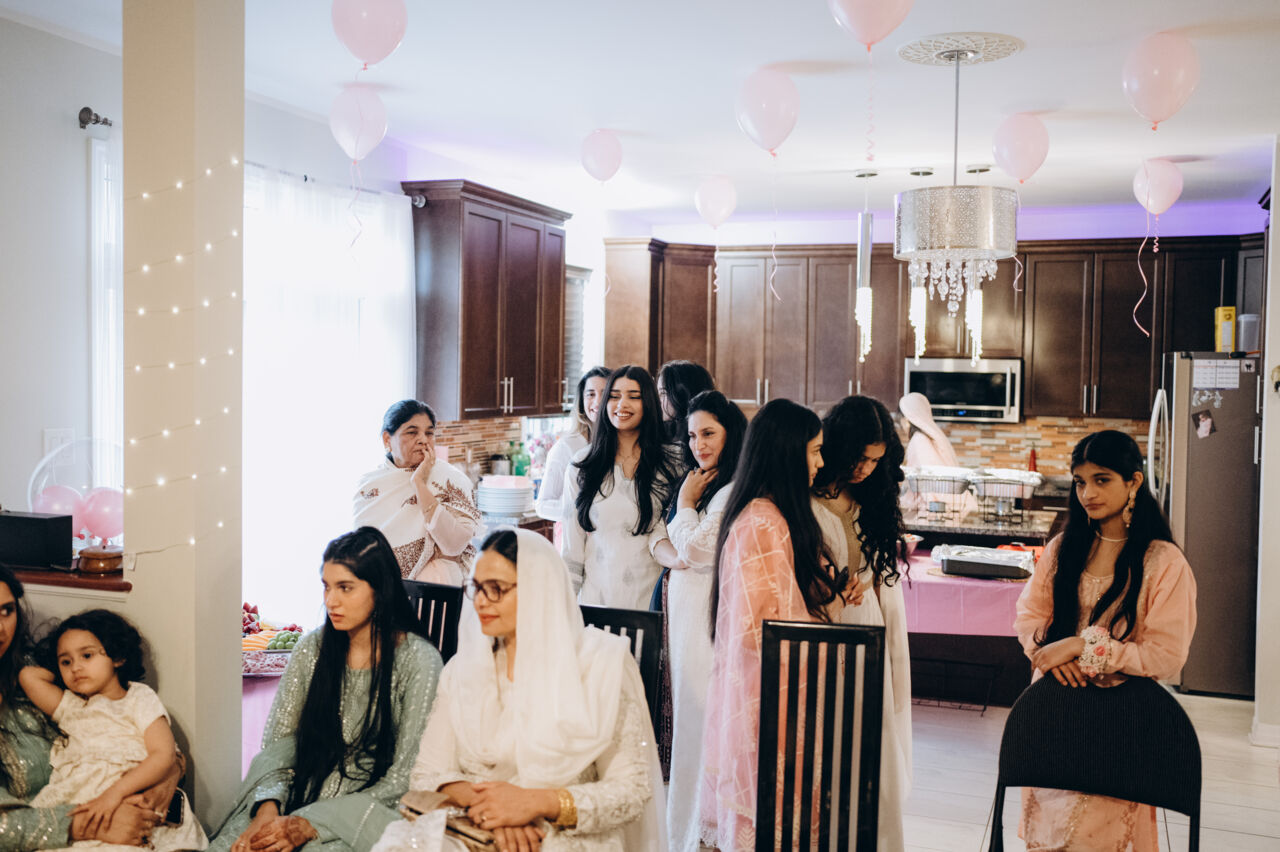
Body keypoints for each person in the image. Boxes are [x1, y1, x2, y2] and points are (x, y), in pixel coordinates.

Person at [407, 528, 665, 850]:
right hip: (476, 826)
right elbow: (426, 773)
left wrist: (537, 803)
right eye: (476, 588)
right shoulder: (463, 670)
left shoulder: (599, 666)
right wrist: (495, 809)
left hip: (565, 833)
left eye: (496, 589)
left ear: (539, 589)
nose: (481, 601)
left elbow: (632, 789)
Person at [1014, 430, 1197, 851]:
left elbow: (1167, 656)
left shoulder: (1163, 562)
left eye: (1102, 480)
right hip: (1054, 707)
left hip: (1120, 717)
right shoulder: (1063, 548)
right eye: (1080, 481)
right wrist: (1052, 657)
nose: (1088, 493)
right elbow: (1029, 618)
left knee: (1096, 836)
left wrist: (1085, 647)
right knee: (1049, 832)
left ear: (1134, 482)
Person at [210, 527, 443, 852]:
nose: (331, 601)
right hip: (295, 793)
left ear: (380, 590)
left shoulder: (419, 661)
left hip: (366, 812)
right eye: (326, 587)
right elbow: (277, 748)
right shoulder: (312, 648)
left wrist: (310, 824)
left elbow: (405, 778)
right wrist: (267, 810)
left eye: (345, 588)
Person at [699, 399, 854, 852]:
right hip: (765, 695)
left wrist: (829, 592)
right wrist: (832, 624)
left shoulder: (771, 515)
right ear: (788, 452)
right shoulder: (762, 523)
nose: (821, 463)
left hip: (773, 691)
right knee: (770, 819)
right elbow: (767, 628)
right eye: (815, 451)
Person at [0, 567, 184, 850]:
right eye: (66, 662)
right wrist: (85, 826)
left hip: (128, 807)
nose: (1, 629)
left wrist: (167, 777)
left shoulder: (31, 666)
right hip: (62, 826)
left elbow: (150, 744)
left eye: (6, 611)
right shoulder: (63, 696)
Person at [810, 396, 913, 852]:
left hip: (865, 621)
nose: (866, 469)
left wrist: (864, 581)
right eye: (860, 458)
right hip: (820, 627)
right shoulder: (806, 495)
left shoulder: (871, 496)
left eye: (875, 461)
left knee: (868, 734)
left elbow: (872, 566)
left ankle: (869, 836)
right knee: (825, 735)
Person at [18, 610, 207, 851]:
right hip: (80, 799)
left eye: (87, 655)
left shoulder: (138, 698)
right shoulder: (71, 706)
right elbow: (29, 676)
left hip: (129, 792)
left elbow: (163, 755)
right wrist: (64, 670)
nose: (76, 667)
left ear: (118, 657)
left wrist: (114, 794)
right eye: (66, 661)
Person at [647, 391, 746, 852]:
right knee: (685, 721)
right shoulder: (700, 480)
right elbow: (661, 539)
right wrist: (676, 548)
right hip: (682, 619)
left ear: (730, 433)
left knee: (700, 723)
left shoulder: (730, 488)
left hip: (706, 622)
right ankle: (681, 830)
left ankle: (699, 832)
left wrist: (685, 505)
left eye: (708, 433)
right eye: (690, 435)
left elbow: (697, 549)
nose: (698, 444)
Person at [562, 366, 679, 609]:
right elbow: (572, 551)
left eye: (633, 396)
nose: (622, 404)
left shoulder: (673, 464)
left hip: (654, 606)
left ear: (648, 403)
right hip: (596, 606)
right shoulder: (582, 466)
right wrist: (565, 608)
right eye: (614, 396)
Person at [354, 400, 482, 584]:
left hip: (439, 588)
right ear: (387, 440)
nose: (423, 439)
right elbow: (361, 551)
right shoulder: (369, 485)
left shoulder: (450, 478)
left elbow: (455, 545)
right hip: (383, 587)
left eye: (429, 433)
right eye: (412, 432)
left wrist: (419, 484)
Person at [535, 366, 610, 523]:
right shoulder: (567, 447)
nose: (597, 401)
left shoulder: (623, 444)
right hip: (576, 534)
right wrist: (585, 509)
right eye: (590, 394)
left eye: (605, 394)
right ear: (582, 401)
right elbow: (542, 506)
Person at [898, 392, 975, 514]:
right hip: (952, 506)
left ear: (907, 419)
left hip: (938, 509)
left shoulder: (918, 440)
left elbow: (927, 484)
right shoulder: (930, 436)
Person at [656, 360, 716, 457]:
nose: (657, 400)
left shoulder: (700, 442)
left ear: (682, 394)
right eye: (658, 393)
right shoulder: (665, 430)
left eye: (663, 393)